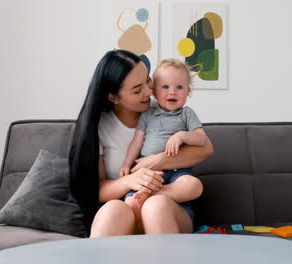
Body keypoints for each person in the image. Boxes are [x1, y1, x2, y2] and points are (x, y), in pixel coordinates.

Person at [68, 50, 214, 237]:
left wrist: (158, 161)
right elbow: (93, 190)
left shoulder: (164, 106)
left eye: (148, 80)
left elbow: (206, 148)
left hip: (170, 210)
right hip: (128, 206)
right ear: (113, 97)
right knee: (113, 209)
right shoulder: (99, 127)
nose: (148, 92)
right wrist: (130, 180)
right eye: (137, 90)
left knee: (155, 205)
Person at [119, 59, 206, 214]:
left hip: (177, 169)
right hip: (147, 169)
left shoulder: (186, 114)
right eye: (165, 86)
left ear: (188, 91)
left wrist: (182, 136)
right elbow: (136, 142)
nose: (172, 92)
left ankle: (154, 194)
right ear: (154, 91)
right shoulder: (147, 114)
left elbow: (201, 139)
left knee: (194, 185)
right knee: (130, 201)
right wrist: (127, 164)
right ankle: (145, 195)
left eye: (179, 87)